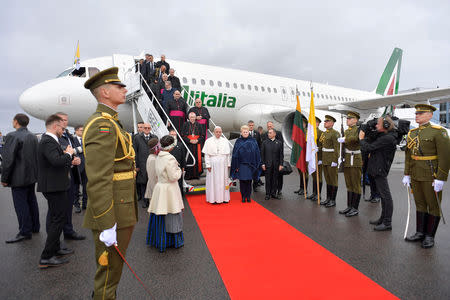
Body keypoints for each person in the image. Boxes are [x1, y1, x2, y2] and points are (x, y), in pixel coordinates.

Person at [83, 67, 138, 299]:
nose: (125, 89)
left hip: (122, 206)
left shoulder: (113, 122)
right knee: (108, 275)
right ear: (105, 92)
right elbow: (99, 179)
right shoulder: (101, 125)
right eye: (119, 86)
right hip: (113, 211)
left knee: (112, 272)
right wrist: (107, 223)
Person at [403, 104, 450, 248]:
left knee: (433, 205)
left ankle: (430, 236)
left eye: (421, 113)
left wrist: (441, 178)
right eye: (416, 113)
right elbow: (408, 156)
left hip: (431, 174)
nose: (417, 116)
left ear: (430, 115)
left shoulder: (438, 132)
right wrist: (407, 174)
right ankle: (420, 232)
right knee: (420, 203)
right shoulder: (412, 133)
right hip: (416, 173)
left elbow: (445, 156)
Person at [37, 114, 75, 269]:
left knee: (57, 218)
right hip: (53, 187)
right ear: (55, 126)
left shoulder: (51, 141)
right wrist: (68, 154)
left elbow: (55, 163)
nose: (63, 130)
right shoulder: (48, 141)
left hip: (56, 185)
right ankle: (46, 257)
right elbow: (56, 161)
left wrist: (69, 160)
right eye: (62, 128)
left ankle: (55, 249)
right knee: (57, 219)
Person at [1, 113, 40, 243]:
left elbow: (8, 160)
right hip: (31, 176)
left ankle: (24, 231)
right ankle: (35, 226)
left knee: (21, 204)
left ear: (16, 121)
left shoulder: (12, 136)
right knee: (31, 201)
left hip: (18, 177)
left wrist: (4, 178)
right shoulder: (33, 136)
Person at [147, 135, 184, 252]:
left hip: (160, 188)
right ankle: (173, 240)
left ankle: (160, 239)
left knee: (161, 213)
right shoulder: (170, 158)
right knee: (172, 213)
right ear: (171, 146)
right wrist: (180, 171)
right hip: (169, 189)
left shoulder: (158, 156)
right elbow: (173, 176)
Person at [360, 116, 397, 231]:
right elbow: (372, 138)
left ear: (386, 126)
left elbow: (369, 147)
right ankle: (383, 218)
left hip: (380, 169)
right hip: (377, 168)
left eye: (378, 124)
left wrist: (361, 139)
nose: (376, 126)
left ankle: (387, 222)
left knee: (386, 196)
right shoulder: (383, 136)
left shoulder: (388, 138)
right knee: (382, 195)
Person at [55, 112, 85, 239]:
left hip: (72, 173)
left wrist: (76, 158)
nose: (65, 122)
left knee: (68, 207)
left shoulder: (68, 134)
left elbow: (74, 149)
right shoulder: (54, 136)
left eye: (66, 120)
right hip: (62, 175)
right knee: (58, 210)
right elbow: (58, 152)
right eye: (62, 120)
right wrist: (70, 158)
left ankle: (68, 231)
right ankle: (55, 240)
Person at [338, 111, 363, 217]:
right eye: (347, 118)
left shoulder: (359, 130)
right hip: (347, 159)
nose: (348, 120)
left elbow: (356, 139)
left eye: (350, 118)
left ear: (356, 120)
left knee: (356, 184)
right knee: (349, 183)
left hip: (355, 159)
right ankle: (349, 206)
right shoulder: (347, 131)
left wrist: (345, 139)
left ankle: (355, 208)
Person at [231, 125, 261, 203]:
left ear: (248, 132)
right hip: (241, 165)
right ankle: (243, 196)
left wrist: (256, 164)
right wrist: (236, 165)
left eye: (246, 132)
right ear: (241, 133)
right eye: (244, 132)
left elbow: (257, 152)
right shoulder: (238, 141)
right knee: (242, 182)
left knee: (249, 181)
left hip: (250, 165)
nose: (245, 133)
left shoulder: (253, 141)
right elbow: (234, 154)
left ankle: (248, 196)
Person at [202, 126, 231, 204]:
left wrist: (228, 163)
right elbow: (207, 154)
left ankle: (224, 198)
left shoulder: (225, 141)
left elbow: (228, 154)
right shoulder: (208, 141)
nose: (218, 133)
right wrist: (208, 165)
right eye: (217, 132)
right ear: (214, 132)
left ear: (221, 132)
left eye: (220, 132)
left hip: (223, 163)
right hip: (213, 163)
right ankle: (213, 199)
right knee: (213, 181)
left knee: (224, 181)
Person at [134, 123, 157, 208]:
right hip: (142, 164)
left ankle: (153, 200)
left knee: (152, 182)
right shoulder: (137, 138)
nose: (147, 129)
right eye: (145, 128)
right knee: (143, 183)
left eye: (148, 128)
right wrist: (136, 165)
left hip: (152, 164)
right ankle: (145, 201)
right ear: (142, 129)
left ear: (150, 128)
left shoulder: (155, 138)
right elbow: (135, 152)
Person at [319, 115, 340, 207]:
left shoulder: (335, 133)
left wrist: (335, 160)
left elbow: (337, 148)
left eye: (327, 121)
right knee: (328, 179)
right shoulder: (324, 133)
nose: (325, 123)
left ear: (332, 123)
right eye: (325, 121)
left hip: (331, 159)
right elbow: (321, 145)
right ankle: (328, 198)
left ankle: (333, 200)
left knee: (333, 180)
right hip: (325, 159)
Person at [261, 129, 283, 200]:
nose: (268, 134)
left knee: (275, 180)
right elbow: (262, 154)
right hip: (267, 165)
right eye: (268, 133)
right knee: (268, 180)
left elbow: (281, 155)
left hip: (276, 165)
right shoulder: (264, 143)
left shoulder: (279, 143)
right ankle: (268, 194)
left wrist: (281, 164)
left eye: (270, 133)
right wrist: (263, 164)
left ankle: (274, 193)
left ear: (274, 134)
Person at [182, 112, 205, 180]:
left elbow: (202, 135)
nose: (192, 118)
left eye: (193, 117)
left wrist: (197, 140)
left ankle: (196, 175)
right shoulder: (185, 124)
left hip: (197, 144)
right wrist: (189, 140)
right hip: (188, 145)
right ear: (189, 118)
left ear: (195, 118)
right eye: (191, 117)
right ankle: (189, 175)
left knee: (198, 159)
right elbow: (182, 135)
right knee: (189, 159)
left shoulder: (199, 124)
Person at [306, 117, 324, 202]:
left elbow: (323, 145)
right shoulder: (310, 132)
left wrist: (318, 149)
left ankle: (318, 194)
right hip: (312, 157)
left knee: (319, 176)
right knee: (314, 175)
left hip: (318, 157)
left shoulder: (321, 133)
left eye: (314, 122)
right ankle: (314, 193)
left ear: (318, 123)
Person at [74, 125, 88, 210]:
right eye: (81, 130)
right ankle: (76, 205)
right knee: (76, 187)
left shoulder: (86, 140)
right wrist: (81, 148)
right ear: (76, 131)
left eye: (83, 130)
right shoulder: (72, 140)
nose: (83, 132)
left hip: (86, 167)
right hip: (77, 167)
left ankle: (85, 203)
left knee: (86, 187)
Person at [169, 128, 186, 196]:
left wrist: (183, 167)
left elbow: (183, 156)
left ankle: (180, 196)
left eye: (174, 135)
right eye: (171, 134)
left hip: (178, 167)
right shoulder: (166, 145)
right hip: (169, 166)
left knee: (179, 182)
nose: (173, 136)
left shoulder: (180, 144)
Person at [144, 137, 160, 206]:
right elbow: (152, 178)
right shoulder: (153, 160)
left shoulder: (155, 157)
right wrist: (156, 194)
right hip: (154, 191)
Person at [248, 120, 262, 191]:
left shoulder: (257, 133)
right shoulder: (245, 133)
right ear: (248, 126)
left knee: (256, 171)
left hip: (256, 156)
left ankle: (255, 186)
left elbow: (260, 144)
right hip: (248, 157)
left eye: (252, 125)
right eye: (250, 125)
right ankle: (249, 186)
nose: (251, 126)